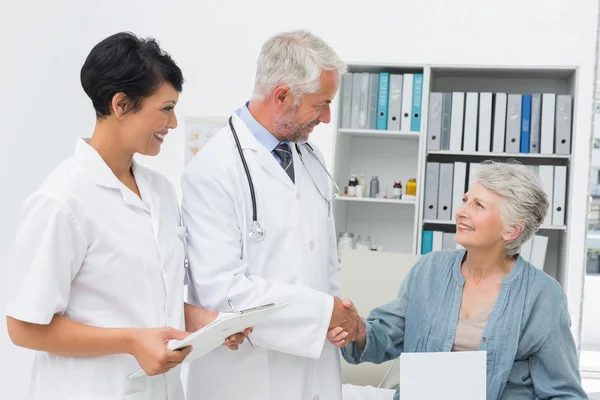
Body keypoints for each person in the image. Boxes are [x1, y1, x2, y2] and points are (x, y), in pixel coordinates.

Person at [5, 32, 248, 400]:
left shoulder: (161, 192)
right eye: (166, 108)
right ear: (121, 104)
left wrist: (207, 323)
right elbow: (24, 327)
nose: (174, 123)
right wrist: (132, 341)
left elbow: (149, 298)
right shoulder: (62, 200)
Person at [181, 30, 359, 400]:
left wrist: (336, 319)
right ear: (282, 96)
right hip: (245, 377)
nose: (327, 117)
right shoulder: (213, 170)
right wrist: (322, 314)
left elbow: (324, 263)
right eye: (321, 104)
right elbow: (223, 292)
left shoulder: (310, 158)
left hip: (315, 370)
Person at [329, 160, 588, 400]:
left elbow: (564, 392)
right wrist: (357, 329)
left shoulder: (543, 295)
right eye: (465, 200)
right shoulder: (430, 269)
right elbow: (387, 334)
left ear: (511, 229)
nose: (461, 212)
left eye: (478, 205)